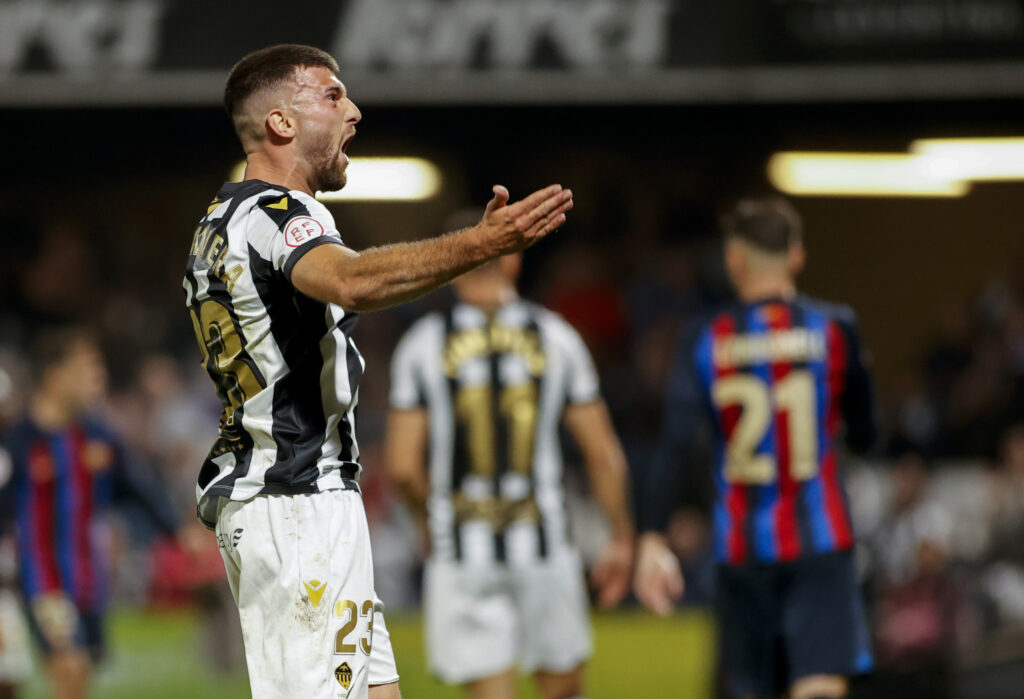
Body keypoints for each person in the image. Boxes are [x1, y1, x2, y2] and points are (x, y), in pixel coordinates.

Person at [184, 44, 573, 699]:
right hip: (297, 505)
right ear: (281, 121)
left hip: (296, 498)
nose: (354, 111)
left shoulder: (218, 225)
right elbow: (353, 281)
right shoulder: (279, 215)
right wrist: (481, 245)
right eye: (332, 95)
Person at [634, 197, 877, 699]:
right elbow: (866, 432)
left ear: (734, 261)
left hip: (740, 549)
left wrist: (653, 536)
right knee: (819, 684)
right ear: (797, 256)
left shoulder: (706, 336)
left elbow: (675, 443)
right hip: (821, 541)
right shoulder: (835, 328)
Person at [384, 248, 634, 699]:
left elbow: (402, 466)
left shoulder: (424, 343)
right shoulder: (556, 335)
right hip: (544, 541)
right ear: (514, 262)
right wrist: (620, 536)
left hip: (462, 547)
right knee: (564, 691)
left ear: (451, 268)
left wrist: (426, 522)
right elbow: (603, 454)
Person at [0, 327, 180, 699]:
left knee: (82, 674)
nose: (99, 378)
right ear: (55, 375)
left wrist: (178, 531)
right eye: (87, 369)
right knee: (71, 666)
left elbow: (136, 489)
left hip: (90, 580)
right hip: (41, 579)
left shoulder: (99, 437)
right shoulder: (18, 443)